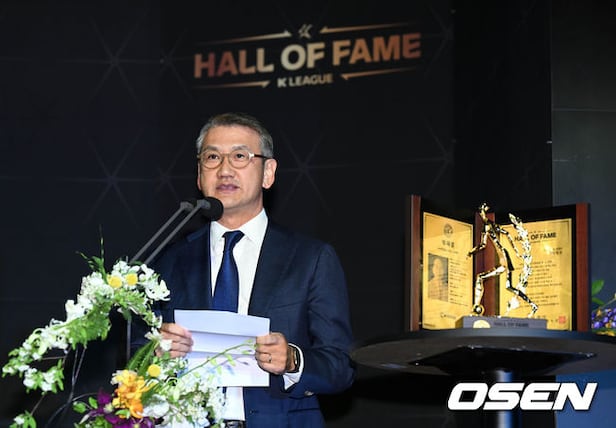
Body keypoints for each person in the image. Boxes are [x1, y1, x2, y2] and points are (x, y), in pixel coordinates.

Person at [134, 112, 355, 428]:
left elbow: (341, 366)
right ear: (199, 176)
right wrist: (157, 353)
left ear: (268, 172)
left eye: (240, 156)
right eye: (212, 157)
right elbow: (134, 356)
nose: (225, 169)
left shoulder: (311, 258)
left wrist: (293, 360)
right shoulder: (170, 259)